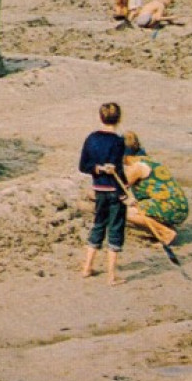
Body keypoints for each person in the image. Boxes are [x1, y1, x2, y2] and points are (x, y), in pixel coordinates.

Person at [79, 103, 128, 285]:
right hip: (115, 190)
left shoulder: (91, 138)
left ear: (101, 117)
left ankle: (87, 268)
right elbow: (120, 172)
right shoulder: (118, 141)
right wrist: (125, 194)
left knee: (98, 225)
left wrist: (98, 168)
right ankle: (111, 276)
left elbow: (83, 166)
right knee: (115, 229)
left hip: (99, 190)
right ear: (119, 118)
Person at [121, 133, 188, 246]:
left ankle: (166, 233)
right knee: (139, 206)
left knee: (124, 212)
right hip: (180, 206)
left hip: (169, 206)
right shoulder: (148, 160)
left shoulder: (137, 167)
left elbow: (117, 189)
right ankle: (165, 228)